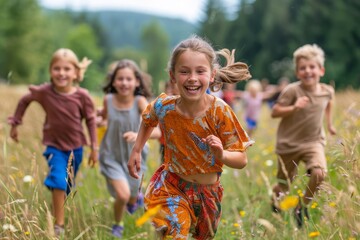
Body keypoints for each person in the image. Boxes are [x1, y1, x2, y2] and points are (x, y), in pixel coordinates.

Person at [128, 35, 254, 239]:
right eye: (184, 71)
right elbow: (148, 119)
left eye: (200, 71)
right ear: (173, 75)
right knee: (175, 232)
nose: (192, 78)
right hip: (172, 186)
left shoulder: (220, 112)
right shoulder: (165, 107)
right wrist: (136, 149)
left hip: (208, 193)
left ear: (212, 75)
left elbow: (241, 160)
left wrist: (221, 154)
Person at [8, 48, 97, 236]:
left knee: (67, 186)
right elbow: (25, 100)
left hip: (76, 148)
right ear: (50, 71)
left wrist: (94, 148)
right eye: (57, 68)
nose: (62, 73)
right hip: (54, 147)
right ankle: (59, 226)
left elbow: (90, 121)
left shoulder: (82, 96)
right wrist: (16, 123)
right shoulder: (44, 92)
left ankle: (56, 191)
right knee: (59, 181)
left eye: (67, 69)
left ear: (76, 73)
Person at [271, 44, 336, 228]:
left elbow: (329, 103)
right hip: (288, 145)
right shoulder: (292, 91)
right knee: (284, 186)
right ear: (297, 72)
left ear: (321, 70)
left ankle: (302, 206)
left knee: (319, 173)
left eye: (312, 67)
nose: (308, 71)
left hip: (313, 142)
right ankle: (274, 200)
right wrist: (294, 107)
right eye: (303, 68)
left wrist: (329, 124)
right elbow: (274, 112)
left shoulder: (326, 91)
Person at [97, 59, 161, 238]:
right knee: (123, 195)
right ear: (113, 82)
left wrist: (137, 135)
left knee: (132, 195)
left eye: (128, 79)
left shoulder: (140, 102)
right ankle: (117, 224)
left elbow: (157, 132)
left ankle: (136, 200)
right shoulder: (108, 100)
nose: (124, 83)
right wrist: (98, 120)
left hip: (135, 158)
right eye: (120, 79)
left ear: (137, 82)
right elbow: (105, 118)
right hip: (111, 155)